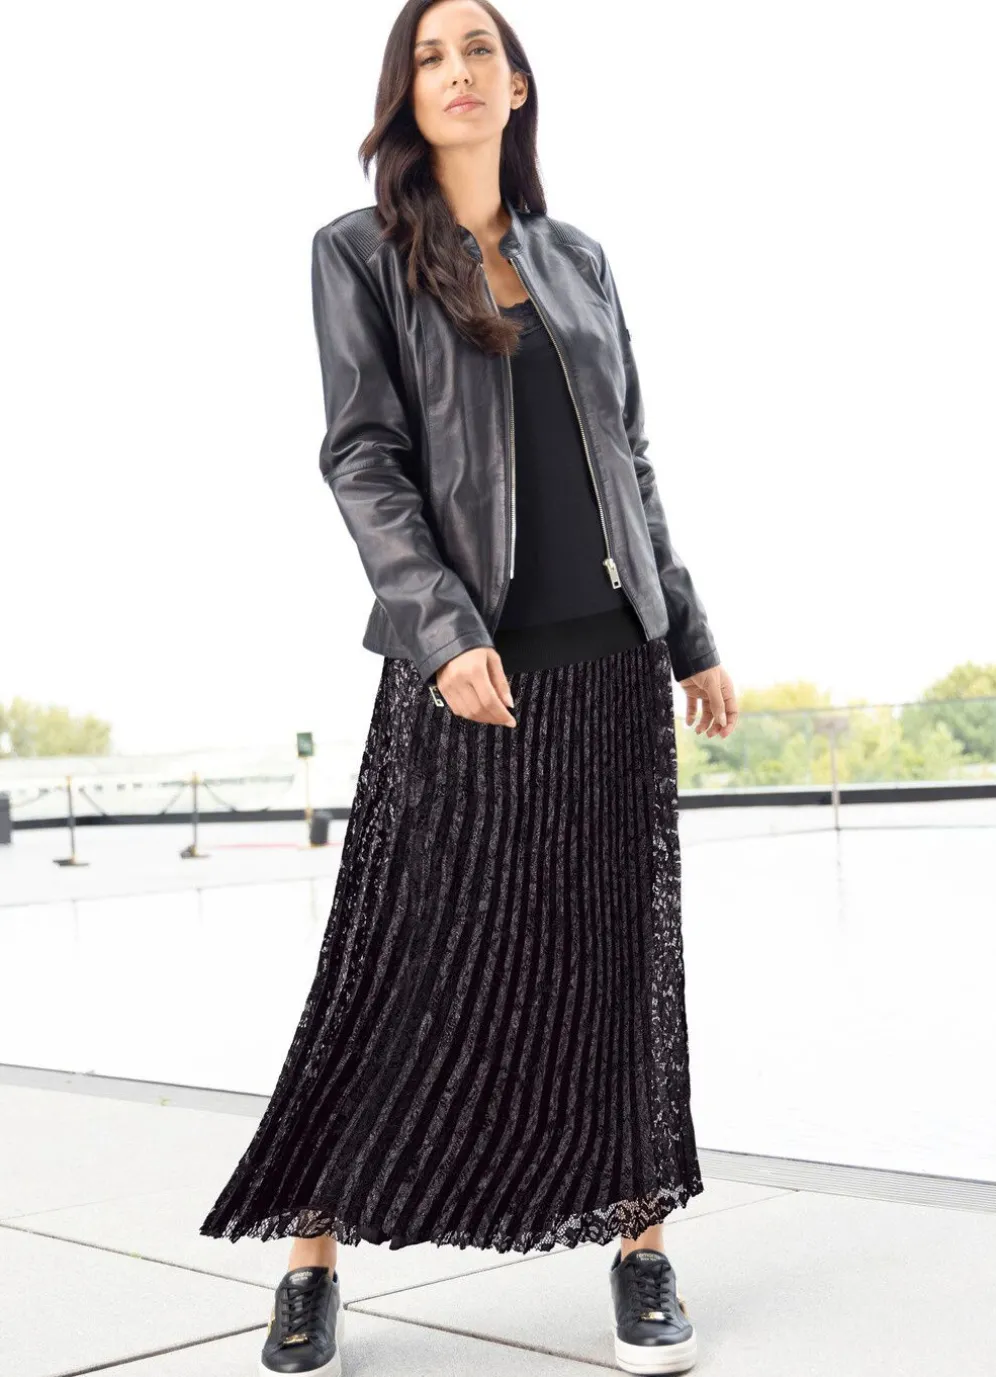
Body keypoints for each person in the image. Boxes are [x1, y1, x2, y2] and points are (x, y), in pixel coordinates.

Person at [199, 2, 739, 1374]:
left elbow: (630, 458)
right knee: (399, 963)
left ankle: (640, 1249)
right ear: (407, 91)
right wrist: (441, 633)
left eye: (478, 51)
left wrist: (688, 632)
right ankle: (311, 1259)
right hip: (464, 670)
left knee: (618, 966)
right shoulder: (359, 252)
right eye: (431, 56)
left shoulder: (579, 258)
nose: (457, 73)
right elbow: (363, 457)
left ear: (518, 85)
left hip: (610, 665)